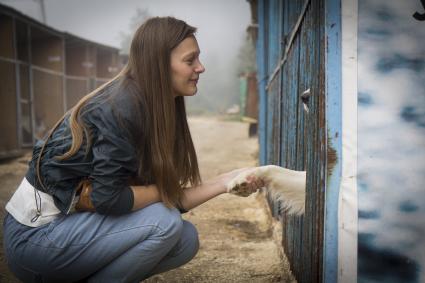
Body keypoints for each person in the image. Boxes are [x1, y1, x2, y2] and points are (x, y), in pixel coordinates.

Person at [2, 16, 264, 283]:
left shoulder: (156, 107)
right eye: (190, 60)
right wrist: (164, 191)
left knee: (185, 241)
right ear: (159, 65)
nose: (201, 67)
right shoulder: (120, 109)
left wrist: (226, 180)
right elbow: (109, 199)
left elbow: (162, 198)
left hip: (66, 233)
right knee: (165, 222)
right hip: (34, 239)